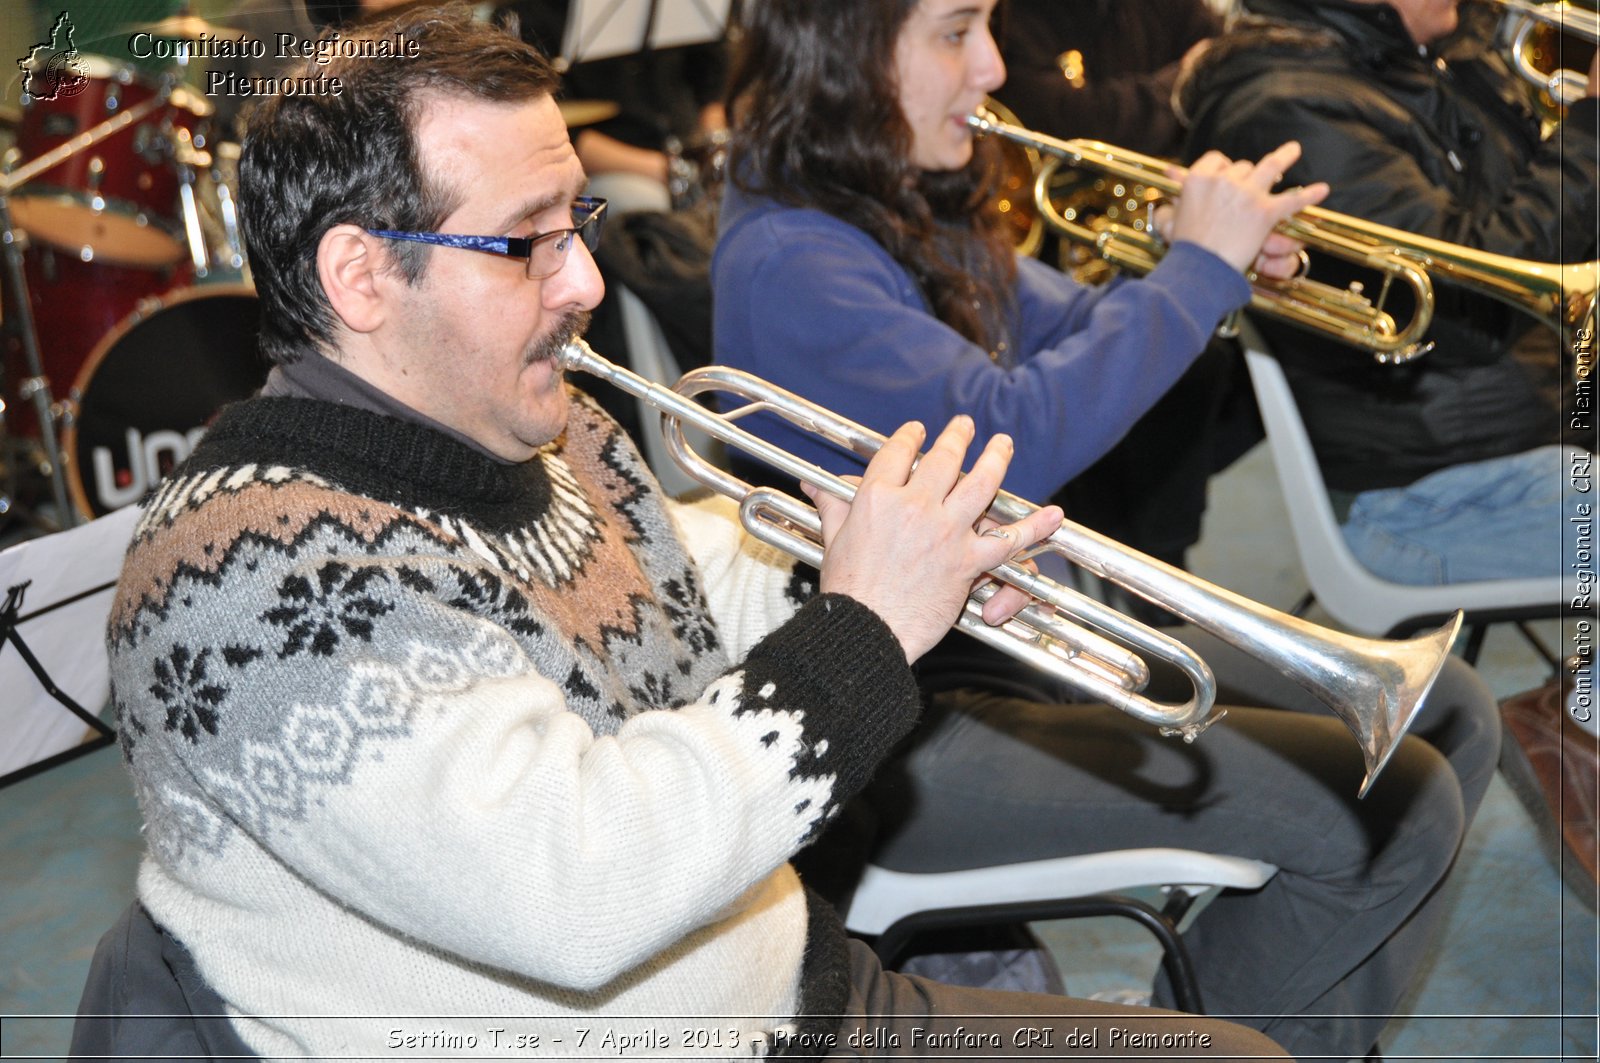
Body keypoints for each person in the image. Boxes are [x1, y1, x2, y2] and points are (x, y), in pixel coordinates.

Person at [88, 4, 1289, 1059]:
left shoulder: (543, 431)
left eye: (580, 223)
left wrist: (870, 558)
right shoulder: (251, 580)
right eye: (526, 243)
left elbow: (685, 580)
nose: (586, 284)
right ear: (359, 277)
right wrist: (863, 627)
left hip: (790, 992)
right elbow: (576, 890)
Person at [713, 0, 1501, 1058]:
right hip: (904, 722)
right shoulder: (790, 255)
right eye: (954, 33)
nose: (993, 66)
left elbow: (1068, 327)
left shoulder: (898, 198)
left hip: (1018, 639)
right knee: (1389, 815)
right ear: (847, 51)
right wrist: (1195, 274)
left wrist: (1197, 267)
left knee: (1447, 712)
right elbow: (1009, 441)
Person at [1175, 0, 1599, 585]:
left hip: (1539, 418)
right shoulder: (1287, 106)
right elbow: (1470, 310)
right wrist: (1594, 128)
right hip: (1417, 492)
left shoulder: (1425, 59)